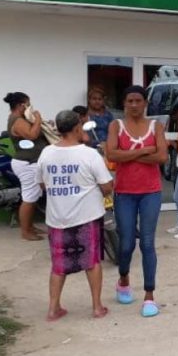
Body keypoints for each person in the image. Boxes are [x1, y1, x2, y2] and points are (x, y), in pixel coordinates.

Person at [38, 110, 114, 321]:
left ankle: (53, 309)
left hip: (57, 218)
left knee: (58, 266)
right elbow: (107, 187)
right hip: (86, 217)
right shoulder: (90, 155)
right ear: (78, 128)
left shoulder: (46, 153)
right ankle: (97, 307)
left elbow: (42, 184)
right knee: (92, 262)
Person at [106, 86, 168, 318]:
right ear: (124, 103)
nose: (134, 104)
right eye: (130, 100)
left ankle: (149, 296)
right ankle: (123, 279)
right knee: (126, 243)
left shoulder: (156, 126)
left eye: (138, 100)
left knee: (148, 243)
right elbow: (112, 155)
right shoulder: (116, 126)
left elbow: (162, 157)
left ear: (145, 103)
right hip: (125, 192)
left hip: (151, 192)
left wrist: (128, 154)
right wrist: (146, 150)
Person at [5, 92, 49, 241]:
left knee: (33, 196)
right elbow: (32, 135)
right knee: (29, 198)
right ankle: (25, 232)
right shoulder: (17, 120)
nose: (31, 108)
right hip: (27, 163)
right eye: (28, 105)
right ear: (21, 105)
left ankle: (30, 226)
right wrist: (38, 119)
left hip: (32, 162)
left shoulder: (21, 119)